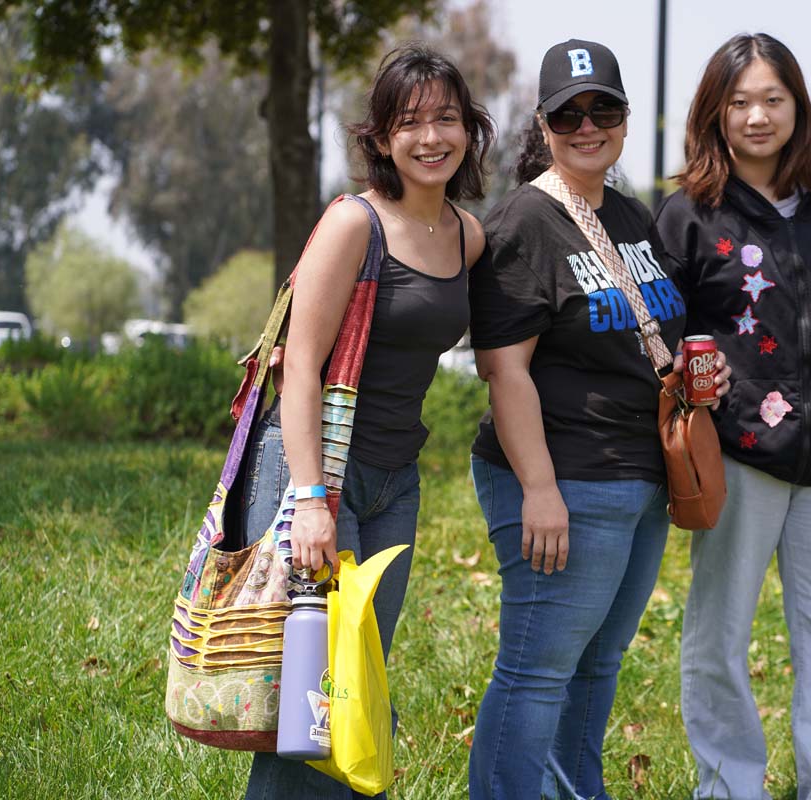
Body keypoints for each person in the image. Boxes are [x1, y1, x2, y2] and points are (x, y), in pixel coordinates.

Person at [466, 39, 729, 800]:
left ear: (623, 117)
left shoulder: (630, 213)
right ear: (544, 125)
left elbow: (651, 331)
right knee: (537, 670)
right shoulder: (524, 221)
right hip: (566, 477)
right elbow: (504, 371)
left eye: (603, 109)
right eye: (568, 113)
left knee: (596, 664)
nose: (588, 126)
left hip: (639, 477)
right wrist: (539, 491)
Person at [238, 44, 493, 799]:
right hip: (319, 475)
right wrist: (311, 498)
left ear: (469, 131)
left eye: (446, 118)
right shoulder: (355, 223)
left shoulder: (467, 236)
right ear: (380, 138)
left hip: (395, 485)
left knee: (355, 689)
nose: (430, 137)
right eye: (409, 122)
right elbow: (301, 366)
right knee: (310, 701)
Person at [655, 33, 811, 800]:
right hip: (737, 456)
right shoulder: (688, 214)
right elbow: (662, 339)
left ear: (798, 105)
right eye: (739, 102)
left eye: (773, 99)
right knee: (718, 638)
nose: (757, 116)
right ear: (714, 112)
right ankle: (730, 787)